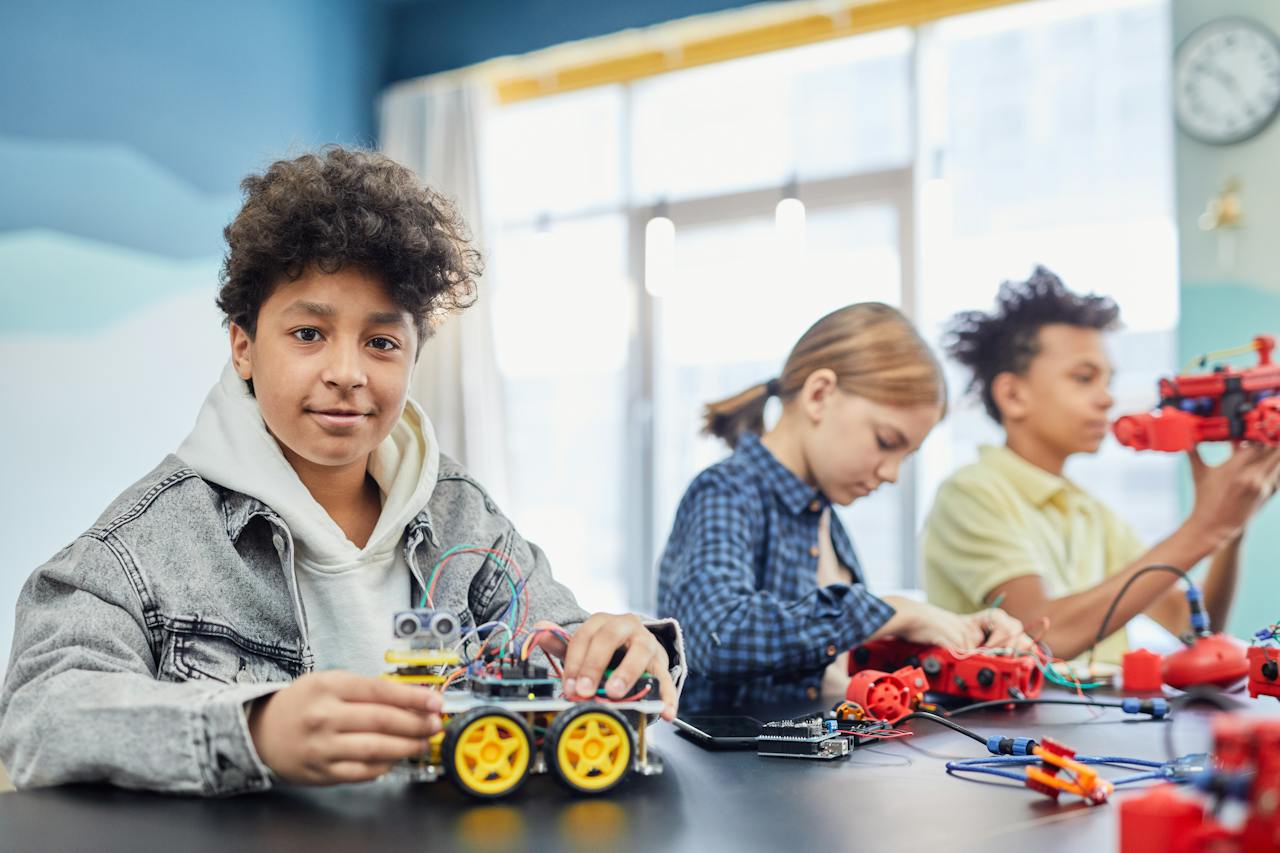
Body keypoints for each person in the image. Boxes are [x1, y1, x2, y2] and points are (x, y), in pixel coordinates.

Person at [0, 147, 683, 793]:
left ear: (414, 359)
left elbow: (559, 646)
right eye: (308, 334)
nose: (348, 374)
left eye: (382, 342)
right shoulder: (146, 544)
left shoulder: (462, 519)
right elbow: (40, 714)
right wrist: (255, 729)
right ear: (243, 345)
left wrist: (618, 652)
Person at [657, 302, 1025, 711]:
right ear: (819, 395)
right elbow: (713, 637)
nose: (892, 474)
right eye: (887, 442)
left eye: (907, 456)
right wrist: (887, 610)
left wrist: (955, 634)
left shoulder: (825, 518)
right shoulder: (726, 491)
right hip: (733, 771)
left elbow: (830, 659)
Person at [923, 267, 1280, 663]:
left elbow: (1194, 627)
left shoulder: (1091, 513)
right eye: (1084, 378)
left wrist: (1231, 525)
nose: (1107, 399)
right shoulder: (971, 494)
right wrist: (1206, 526)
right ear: (1012, 394)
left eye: (1108, 381)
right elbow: (1040, 635)